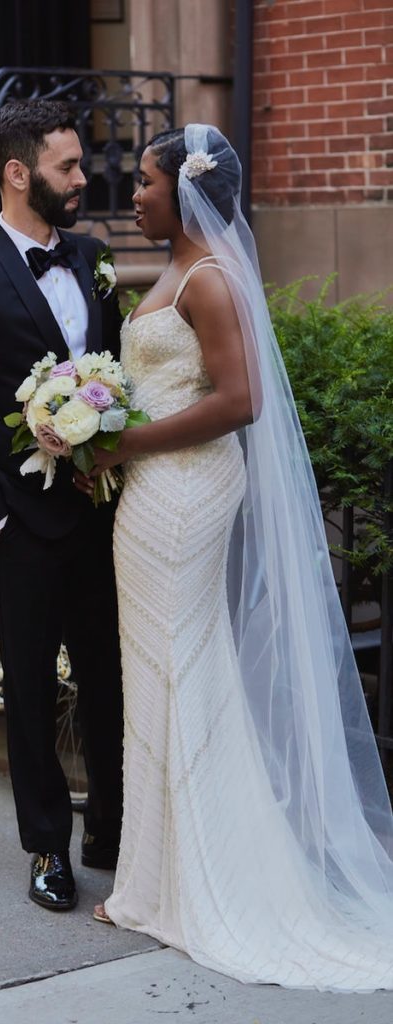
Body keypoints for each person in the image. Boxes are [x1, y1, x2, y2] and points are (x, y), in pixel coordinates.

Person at [80, 124, 393, 991]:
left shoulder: (210, 279)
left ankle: (190, 882)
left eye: (142, 183)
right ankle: (157, 877)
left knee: (176, 667)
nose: (132, 195)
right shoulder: (176, 271)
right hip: (153, 488)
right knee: (164, 670)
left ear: (179, 192)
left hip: (183, 491)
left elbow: (240, 399)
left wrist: (122, 440)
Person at [0, 99, 124, 912]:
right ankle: (47, 846)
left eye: (79, 164)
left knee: (108, 680)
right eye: (66, 167)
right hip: (24, 527)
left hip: (103, 514)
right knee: (33, 689)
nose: (81, 178)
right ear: (17, 174)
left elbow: (112, 374)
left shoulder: (94, 258)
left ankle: (111, 828)